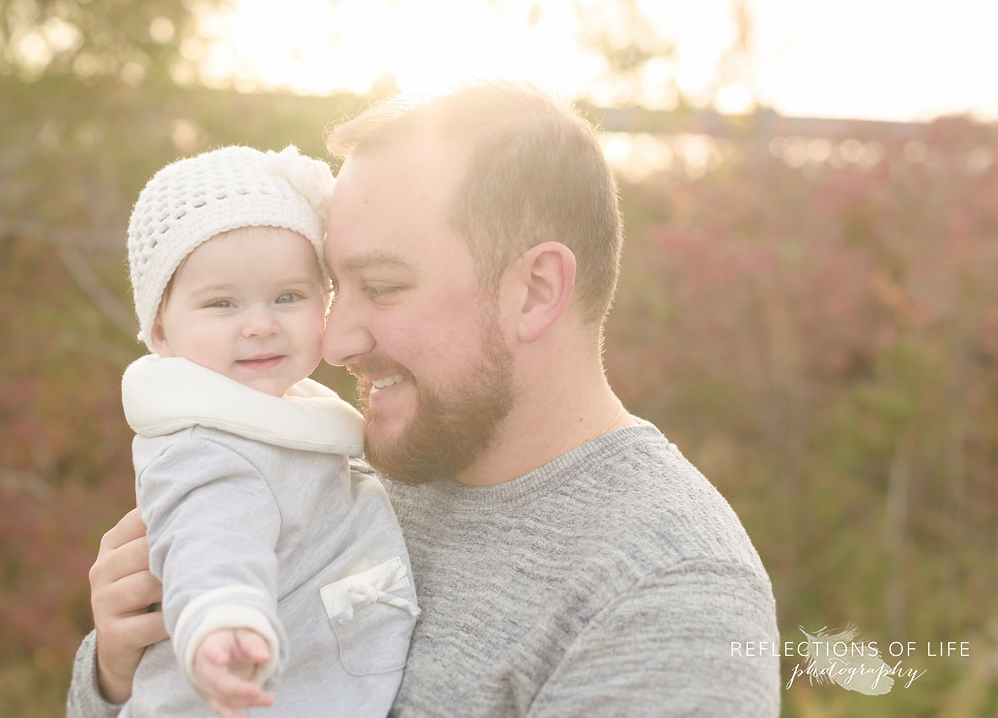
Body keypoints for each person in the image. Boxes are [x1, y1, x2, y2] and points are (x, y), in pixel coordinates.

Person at [69, 82, 781, 718]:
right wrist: (119, 673)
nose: (337, 337)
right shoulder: (349, 458)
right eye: (332, 286)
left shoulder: (668, 596)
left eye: (379, 287)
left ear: (533, 291)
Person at [106, 145, 418, 718]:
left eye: (288, 297)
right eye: (221, 303)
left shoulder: (285, 412)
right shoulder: (206, 446)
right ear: (161, 330)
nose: (260, 325)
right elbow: (211, 538)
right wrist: (222, 619)